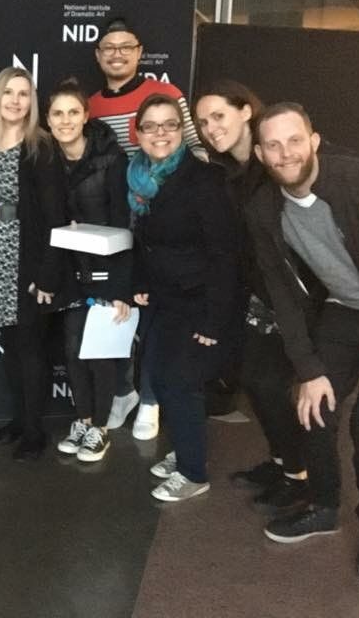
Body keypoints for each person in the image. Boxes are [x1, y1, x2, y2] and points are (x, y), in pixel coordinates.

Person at [194, 80, 359, 513]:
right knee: (262, 382)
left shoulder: (303, 158)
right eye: (202, 122)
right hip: (278, 294)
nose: (211, 127)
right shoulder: (231, 175)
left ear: (245, 112)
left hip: (330, 300)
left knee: (315, 401)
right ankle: (291, 468)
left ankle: (306, 479)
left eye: (218, 115)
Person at [247, 102, 359, 587]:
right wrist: (308, 369)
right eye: (273, 145)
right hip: (345, 312)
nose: (286, 153)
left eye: (294, 140)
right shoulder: (263, 209)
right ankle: (324, 504)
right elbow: (282, 294)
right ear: (260, 153)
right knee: (312, 406)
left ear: (314, 141)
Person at [87, 17, 206, 439]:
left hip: (171, 224)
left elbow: (196, 149)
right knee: (119, 308)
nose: (117, 54)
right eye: (109, 47)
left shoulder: (167, 95)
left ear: (140, 52)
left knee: (158, 316)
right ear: (98, 55)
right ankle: (125, 391)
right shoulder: (91, 106)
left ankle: (152, 400)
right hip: (121, 225)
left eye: (126, 46)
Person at [129, 93, 238, 501]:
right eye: (150, 126)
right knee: (159, 377)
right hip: (163, 297)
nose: (160, 133)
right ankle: (186, 451)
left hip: (199, 299)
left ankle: (193, 474)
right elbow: (147, 241)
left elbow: (225, 254)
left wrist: (214, 319)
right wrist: (140, 281)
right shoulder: (140, 177)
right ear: (138, 133)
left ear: (181, 130)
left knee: (180, 382)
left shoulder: (204, 179)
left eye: (169, 124)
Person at [0, 67, 70, 460]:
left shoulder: (39, 147)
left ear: (32, 102)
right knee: (10, 344)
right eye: (8, 92)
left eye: (23, 94)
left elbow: (55, 216)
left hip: (25, 256)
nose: (15, 100)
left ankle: (34, 431)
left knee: (30, 347)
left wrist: (45, 274)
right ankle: (18, 419)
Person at [47, 79, 132, 463]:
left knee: (99, 352)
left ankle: (100, 427)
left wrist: (121, 286)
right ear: (48, 120)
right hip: (70, 271)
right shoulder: (48, 160)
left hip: (107, 270)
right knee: (72, 348)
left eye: (72, 112)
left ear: (85, 116)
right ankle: (82, 420)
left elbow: (125, 222)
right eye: (57, 113)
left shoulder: (111, 159)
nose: (65, 120)